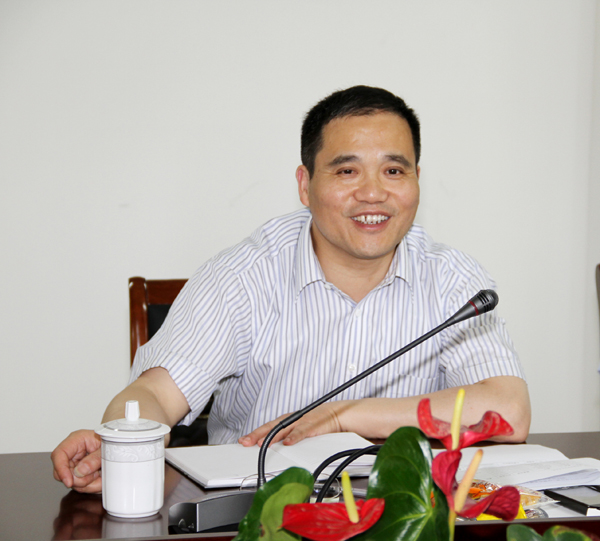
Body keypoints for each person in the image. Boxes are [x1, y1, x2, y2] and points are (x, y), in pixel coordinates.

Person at [52, 85, 531, 494]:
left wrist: (345, 415)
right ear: (305, 185)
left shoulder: (453, 279)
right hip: (256, 509)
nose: (373, 193)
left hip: (402, 510)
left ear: (416, 181)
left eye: (393, 170)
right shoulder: (244, 275)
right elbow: (153, 394)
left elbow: (509, 411)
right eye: (346, 171)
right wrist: (122, 443)